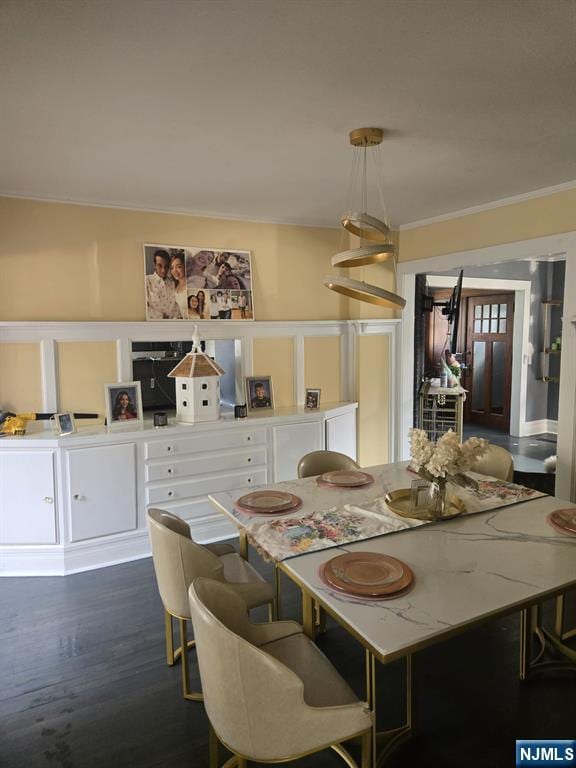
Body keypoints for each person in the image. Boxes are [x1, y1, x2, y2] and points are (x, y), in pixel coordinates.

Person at [146, 249, 179, 319]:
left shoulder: (172, 283)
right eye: (159, 265)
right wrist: (162, 317)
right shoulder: (147, 280)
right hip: (154, 324)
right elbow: (145, 307)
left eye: (166, 266)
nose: (163, 270)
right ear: (154, 265)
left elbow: (175, 306)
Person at [169, 253, 188, 319]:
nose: (174, 271)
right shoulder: (174, 286)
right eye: (172, 268)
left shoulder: (192, 284)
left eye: (178, 266)